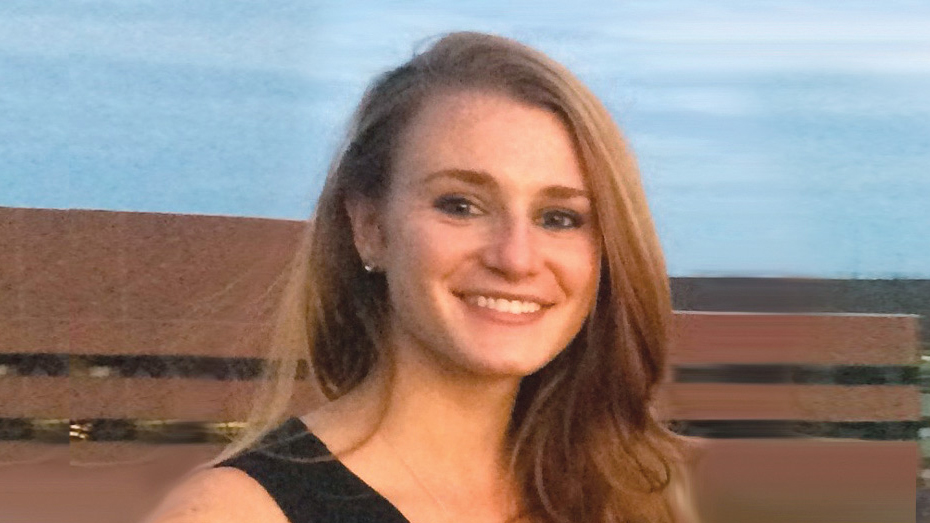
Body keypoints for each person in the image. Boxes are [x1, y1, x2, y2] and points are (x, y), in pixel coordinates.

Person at [146, 31, 700, 523]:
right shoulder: (234, 512)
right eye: (460, 205)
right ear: (370, 228)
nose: (516, 258)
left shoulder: (624, 498)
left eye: (560, 218)